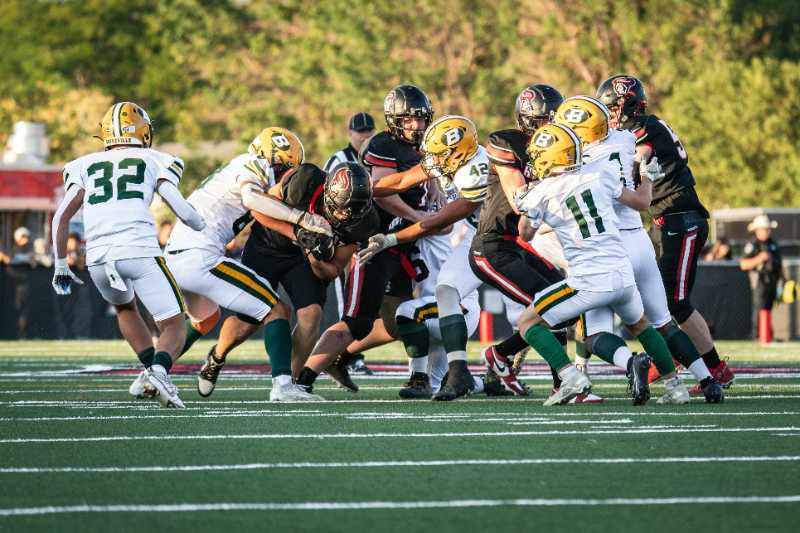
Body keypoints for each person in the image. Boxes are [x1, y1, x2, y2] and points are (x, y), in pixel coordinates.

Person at [553, 95, 722, 402]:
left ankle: (630, 363)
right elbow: (644, 187)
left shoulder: (584, 165)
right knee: (663, 322)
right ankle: (708, 381)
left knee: (592, 334)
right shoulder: (623, 140)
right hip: (640, 240)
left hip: (607, 250)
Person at [515, 123, 688, 406]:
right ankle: (675, 387)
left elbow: (525, 235)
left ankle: (571, 377)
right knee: (642, 326)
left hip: (588, 280)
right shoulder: (601, 173)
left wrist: (525, 204)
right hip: (622, 272)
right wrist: (646, 176)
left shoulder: (541, 193)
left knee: (527, 323)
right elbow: (642, 200)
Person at [51, 101, 205, 408]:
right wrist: (200, 223)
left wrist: (59, 264)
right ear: (144, 132)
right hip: (139, 249)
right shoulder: (155, 159)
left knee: (125, 309)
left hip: (97, 257)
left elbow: (60, 218)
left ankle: (150, 369)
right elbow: (181, 208)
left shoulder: (83, 164)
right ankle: (159, 372)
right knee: (174, 324)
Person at [164, 127, 330, 402]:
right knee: (275, 309)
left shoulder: (240, 167)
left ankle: (153, 371)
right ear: (271, 157)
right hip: (202, 254)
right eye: (282, 169)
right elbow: (252, 200)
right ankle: (282, 385)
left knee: (205, 319)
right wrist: (302, 219)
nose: (282, 178)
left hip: (181, 251)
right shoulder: (252, 163)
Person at [597, 75, 735, 393]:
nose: (611, 116)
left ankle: (715, 369)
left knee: (676, 302)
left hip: (681, 219)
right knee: (656, 301)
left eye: (614, 108)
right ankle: (671, 360)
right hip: (663, 221)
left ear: (629, 106)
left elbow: (639, 154)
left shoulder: (642, 129)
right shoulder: (633, 131)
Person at [294, 84, 434, 398]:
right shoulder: (383, 144)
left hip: (397, 245)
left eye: (421, 119)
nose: (417, 126)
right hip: (371, 244)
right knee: (357, 321)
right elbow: (382, 191)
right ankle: (304, 379)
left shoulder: (420, 147)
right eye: (410, 120)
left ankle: (340, 357)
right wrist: (417, 216)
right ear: (395, 119)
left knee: (399, 323)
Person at [469, 84, 580, 401]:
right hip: (490, 248)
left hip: (517, 245)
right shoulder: (507, 143)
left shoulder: (555, 147)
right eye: (547, 119)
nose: (552, 124)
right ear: (531, 119)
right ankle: (553, 377)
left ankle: (513, 360)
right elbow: (520, 201)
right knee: (554, 306)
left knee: (564, 300)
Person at [227, 161, 377, 387]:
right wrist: (296, 232)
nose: (345, 217)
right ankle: (217, 356)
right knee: (249, 322)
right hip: (268, 245)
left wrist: (314, 255)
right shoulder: (306, 180)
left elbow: (333, 270)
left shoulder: (365, 220)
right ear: (327, 192)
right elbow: (258, 207)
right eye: (340, 208)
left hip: (302, 258)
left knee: (312, 314)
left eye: (353, 211)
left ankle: (290, 382)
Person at [740, 215, 782, 340]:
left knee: (768, 308)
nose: (767, 231)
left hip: (772, 280)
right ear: (757, 230)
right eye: (764, 228)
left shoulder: (773, 243)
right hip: (759, 280)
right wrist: (760, 258)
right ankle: (757, 335)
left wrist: (782, 280)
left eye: (768, 228)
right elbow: (743, 264)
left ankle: (768, 335)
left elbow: (778, 263)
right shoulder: (753, 244)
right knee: (759, 307)